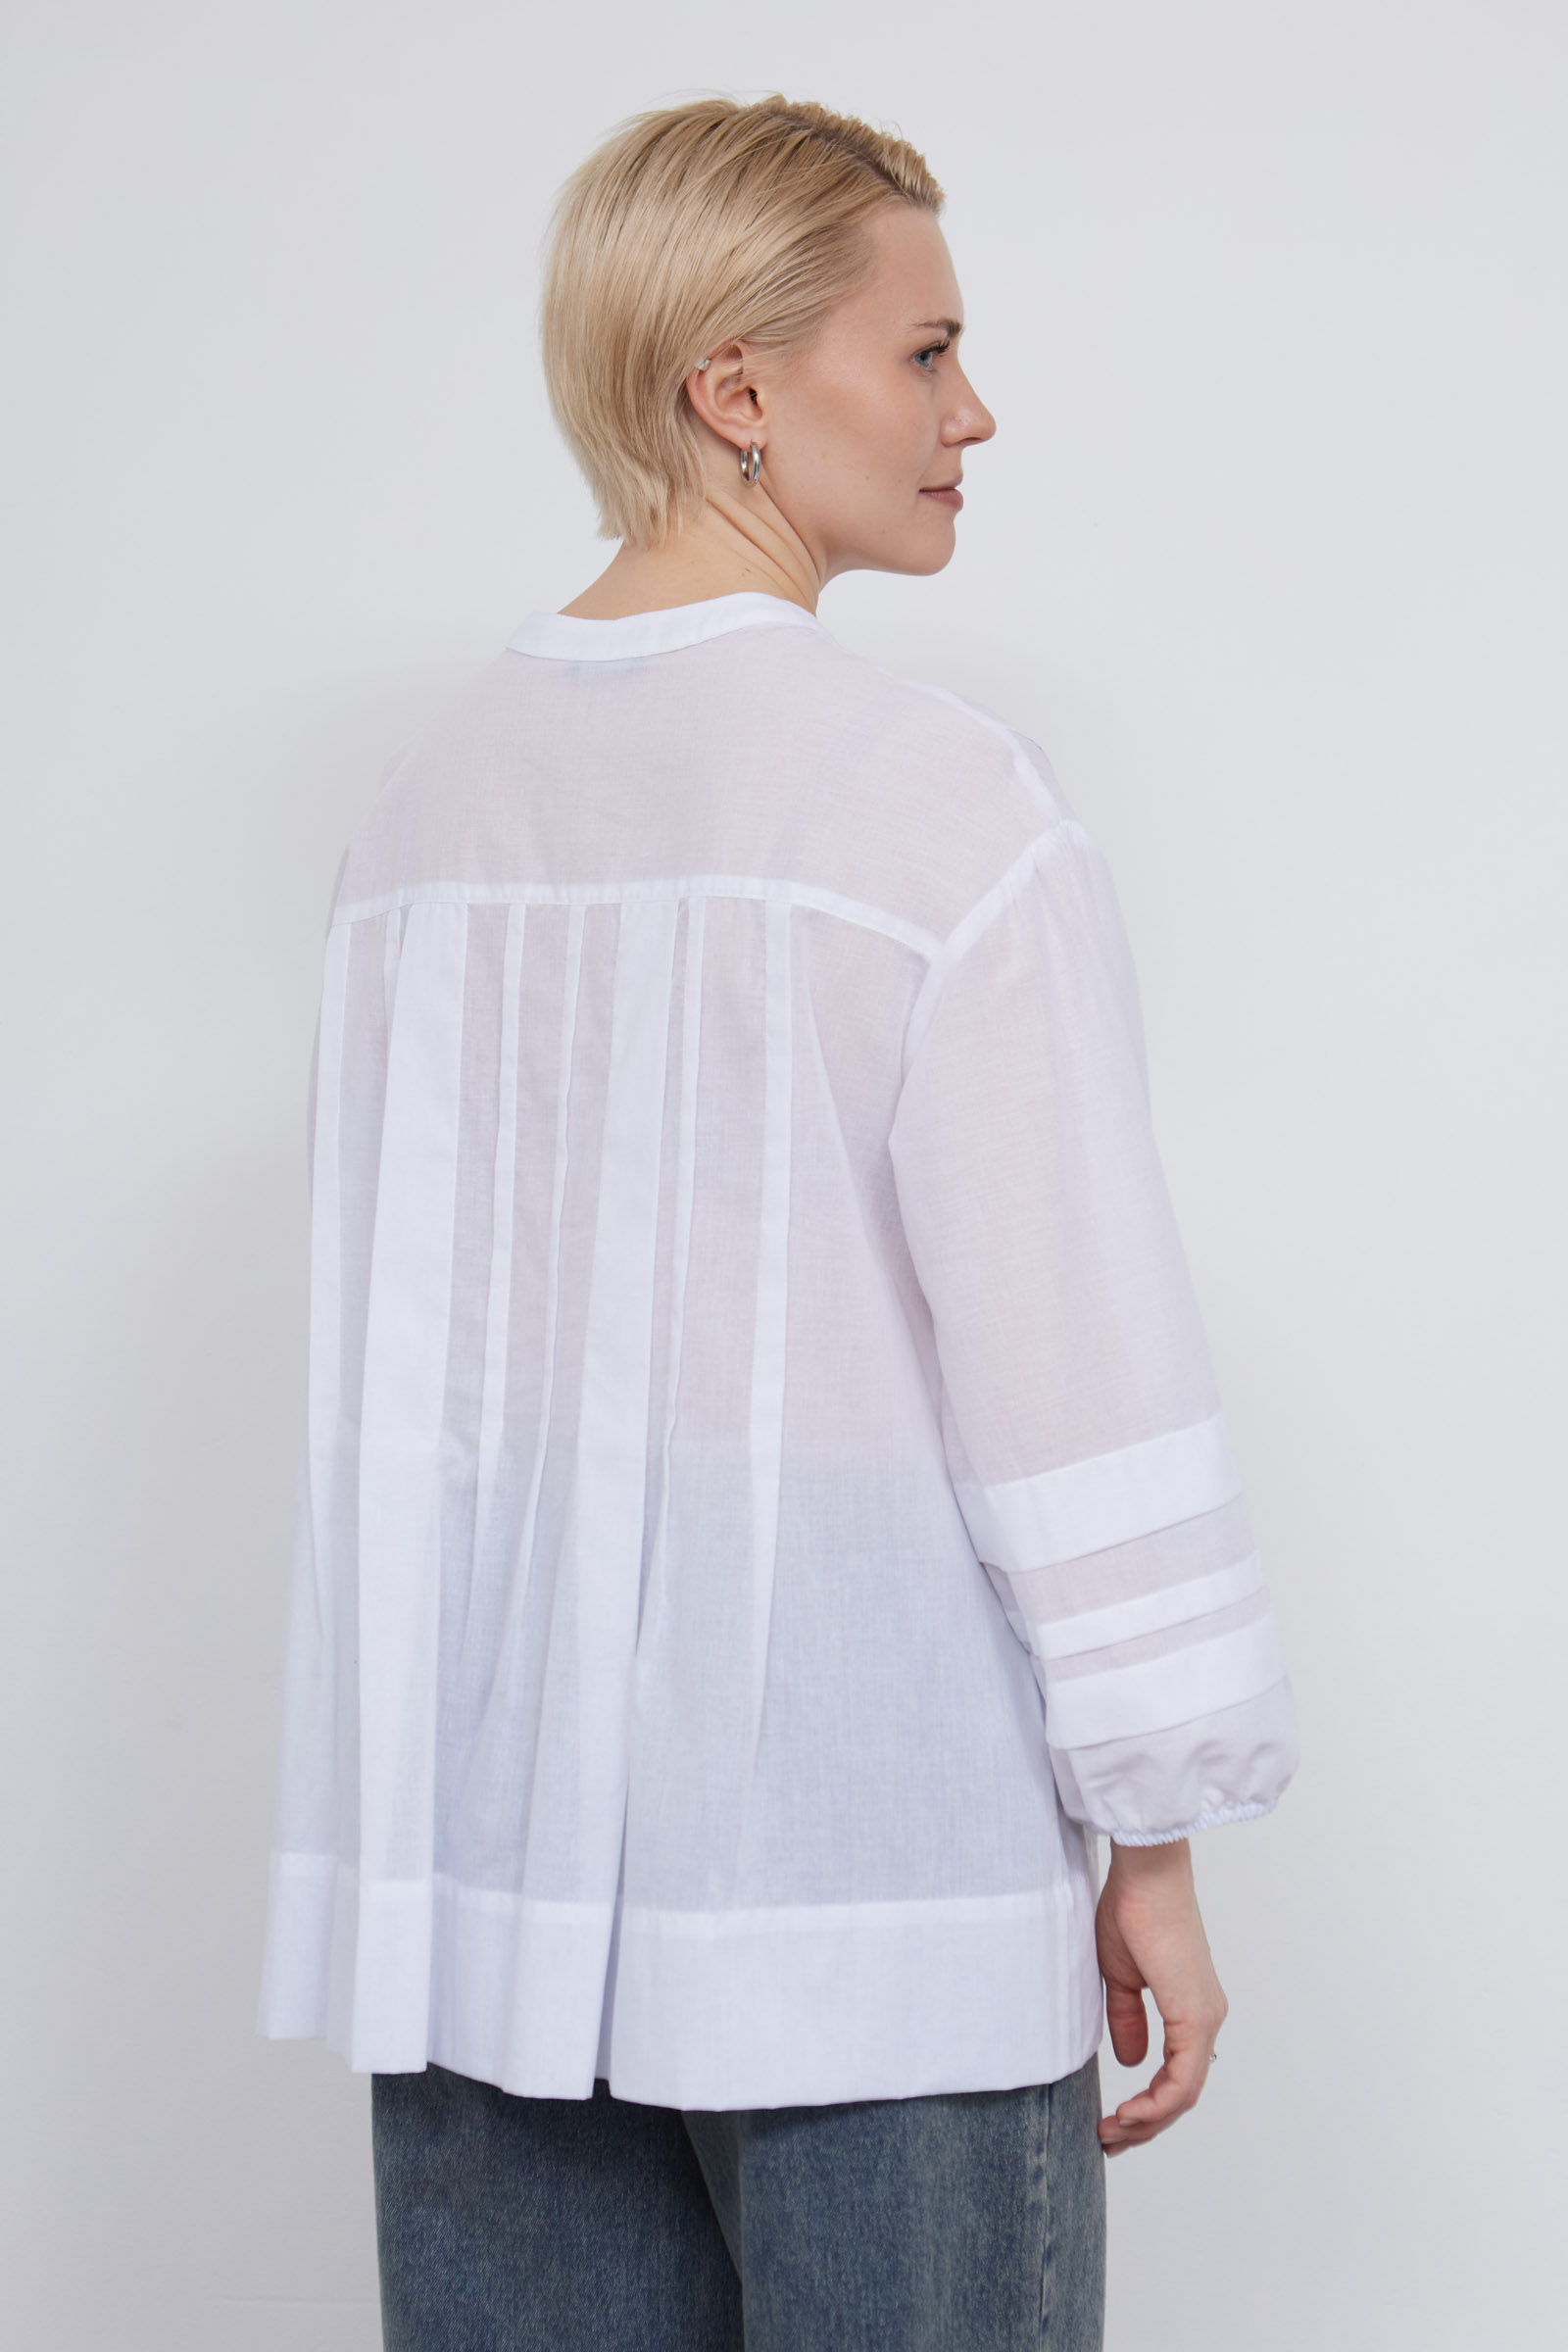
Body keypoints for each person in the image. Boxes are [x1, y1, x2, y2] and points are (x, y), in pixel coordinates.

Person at [257, 92, 1298, 2351]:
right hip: (867, 1884)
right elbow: (1067, 1360)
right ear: (731, 387)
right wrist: (1150, 1831)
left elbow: (427, 1401)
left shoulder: (420, 822)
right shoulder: (933, 806)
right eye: (923, 351)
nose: (971, 410)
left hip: (486, 1904)